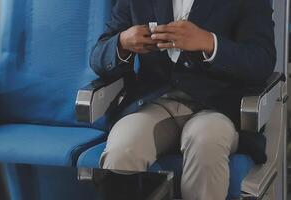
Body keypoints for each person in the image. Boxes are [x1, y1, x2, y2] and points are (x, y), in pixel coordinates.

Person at [90, 0, 276, 199]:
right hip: (155, 102)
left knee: (206, 142)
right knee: (123, 148)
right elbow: (98, 57)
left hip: (217, 106)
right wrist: (122, 43)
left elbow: (261, 60)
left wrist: (209, 42)